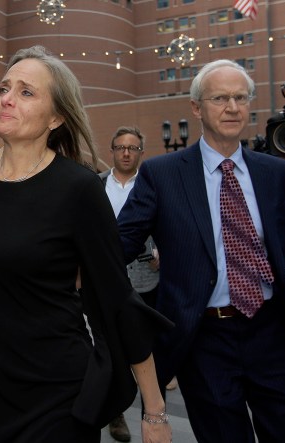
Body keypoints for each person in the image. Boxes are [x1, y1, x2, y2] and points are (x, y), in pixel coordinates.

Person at [0, 45, 173, 442]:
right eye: (4, 87)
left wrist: (154, 409)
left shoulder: (79, 189)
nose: (6, 98)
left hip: (54, 396)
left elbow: (115, 298)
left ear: (56, 116)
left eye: (26, 92)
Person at [116, 59, 285, 442]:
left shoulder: (276, 173)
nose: (232, 107)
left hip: (272, 332)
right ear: (197, 107)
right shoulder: (162, 174)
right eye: (220, 98)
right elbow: (118, 245)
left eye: (241, 97)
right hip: (204, 337)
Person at [99, 126, 161, 443]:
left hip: (145, 280)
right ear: (111, 150)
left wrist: (163, 251)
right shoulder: (95, 186)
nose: (126, 153)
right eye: (120, 147)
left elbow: (167, 225)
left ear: (140, 153)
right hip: (105, 281)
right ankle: (116, 413)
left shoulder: (153, 184)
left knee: (145, 350)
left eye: (132, 148)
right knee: (111, 352)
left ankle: (152, 414)